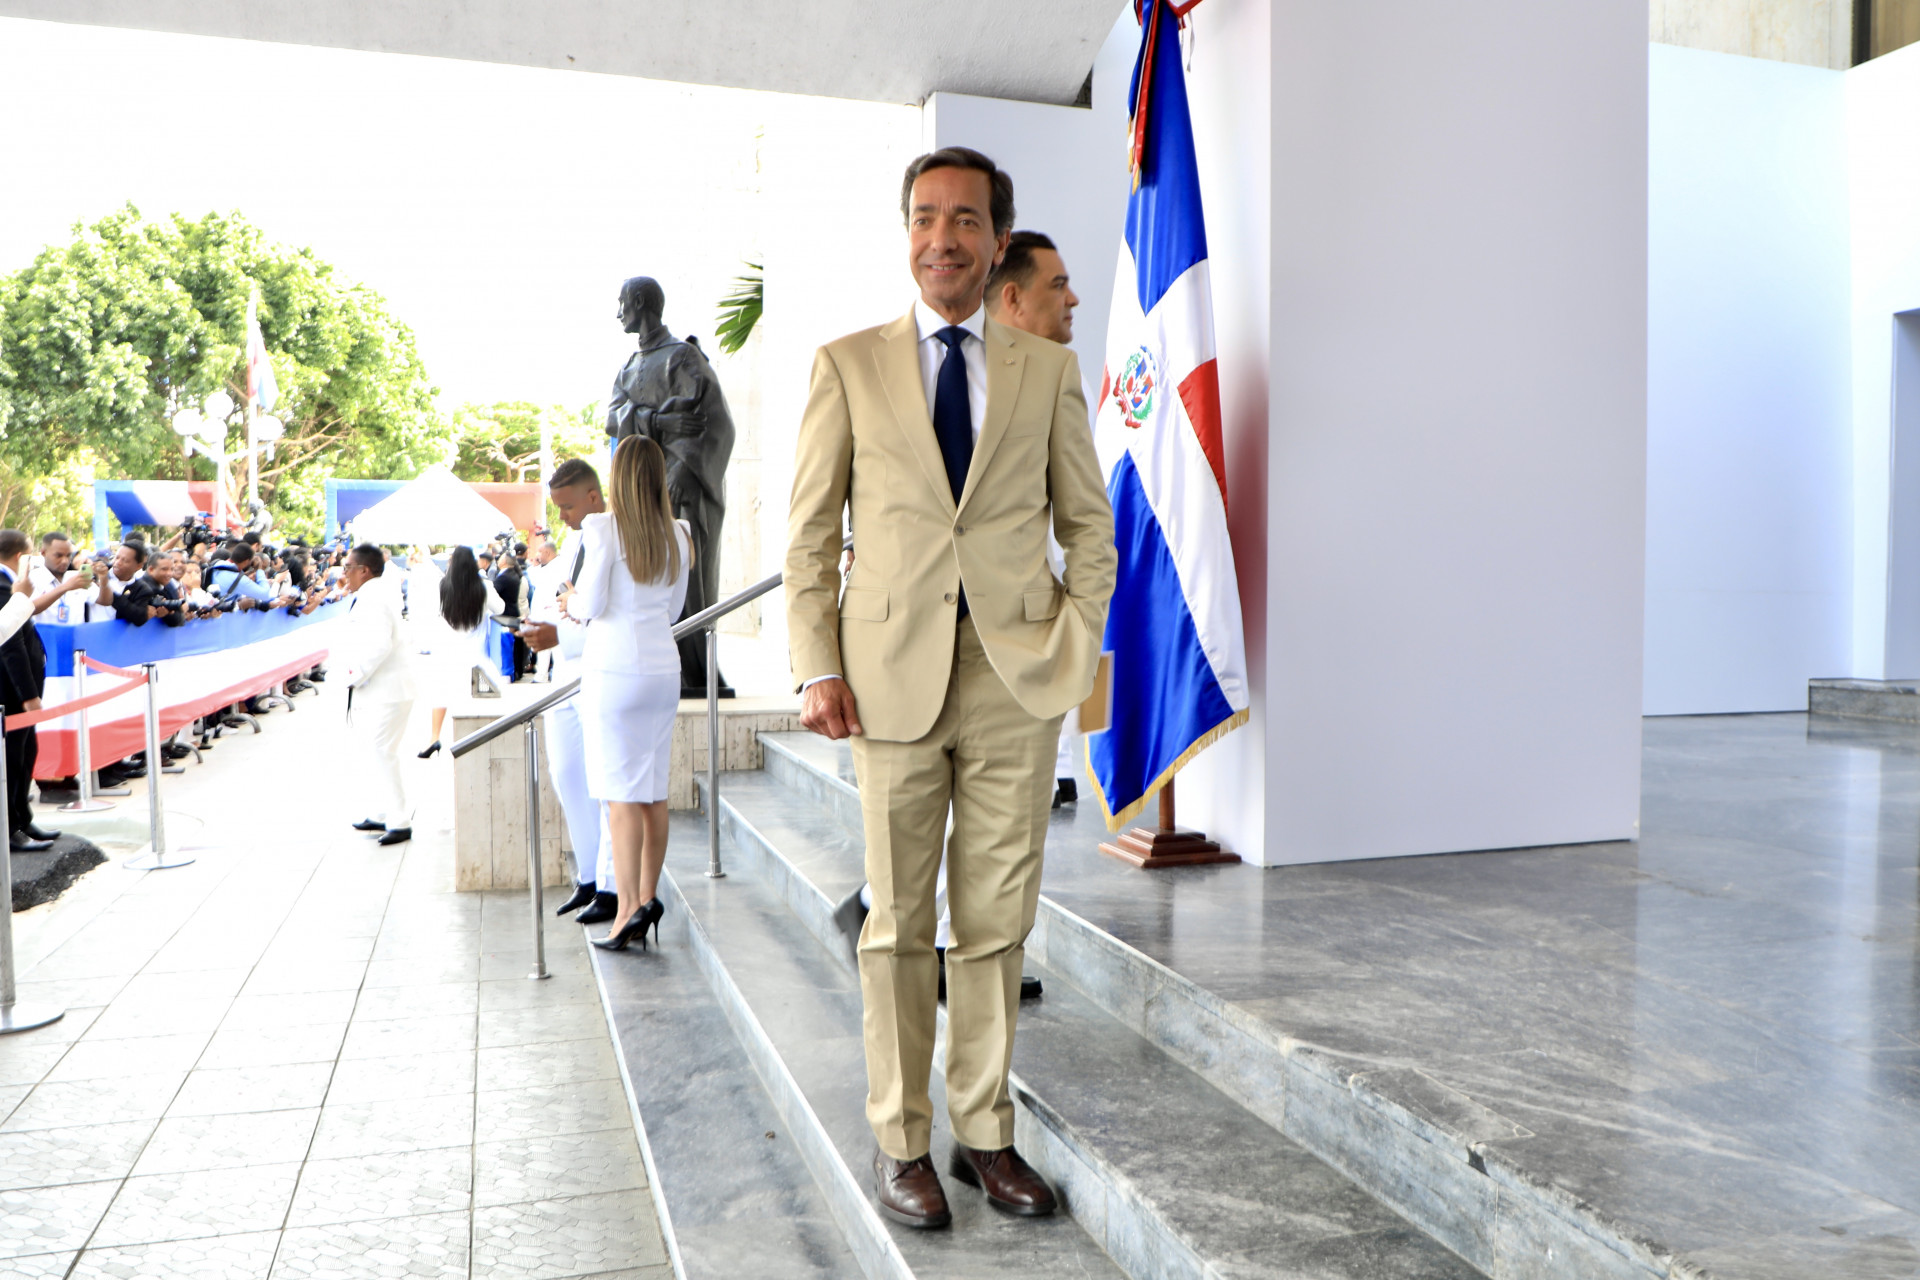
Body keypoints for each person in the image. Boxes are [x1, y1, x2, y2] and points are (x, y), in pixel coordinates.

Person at [785, 147, 1116, 1229]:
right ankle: (901, 1140)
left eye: (966, 220)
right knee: (895, 920)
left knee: (995, 919)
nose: (944, 238)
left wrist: (1075, 641)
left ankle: (984, 1133)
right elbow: (808, 535)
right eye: (926, 217)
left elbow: (1089, 526)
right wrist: (817, 661)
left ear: (995, 240)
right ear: (908, 233)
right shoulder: (849, 364)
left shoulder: (1046, 370)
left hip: (1016, 679)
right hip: (887, 679)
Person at [563, 436, 690, 952]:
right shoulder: (679, 533)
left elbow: (591, 605)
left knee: (619, 796)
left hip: (615, 671)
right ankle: (648, 897)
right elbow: (675, 609)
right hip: (662, 671)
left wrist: (570, 600)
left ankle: (627, 909)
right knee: (653, 793)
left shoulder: (604, 530)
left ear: (617, 478)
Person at [985, 229, 1086, 809]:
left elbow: (1086, 522)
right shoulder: (954, 377)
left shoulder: (1060, 379)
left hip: (1035, 642)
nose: (1073, 299)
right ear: (1013, 298)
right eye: (1058, 285)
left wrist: (1082, 628)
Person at [521, 458, 618, 925]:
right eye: (557, 508)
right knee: (566, 774)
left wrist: (560, 633)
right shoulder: (575, 542)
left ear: (593, 497)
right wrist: (539, 626)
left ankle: (612, 885)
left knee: (605, 781)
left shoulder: (614, 538)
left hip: (599, 669)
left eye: (568, 506)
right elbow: (561, 598)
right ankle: (590, 876)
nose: (561, 517)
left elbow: (608, 612)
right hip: (564, 673)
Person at [336, 544, 417, 845]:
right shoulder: (372, 594)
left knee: (383, 752)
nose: (345, 573)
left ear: (364, 570)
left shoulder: (374, 598)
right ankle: (383, 813)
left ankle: (399, 821)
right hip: (383, 690)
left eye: (348, 567)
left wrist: (353, 675)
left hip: (389, 690)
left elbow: (380, 644)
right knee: (376, 752)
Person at [0, 530, 60, 852]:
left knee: (26, 754)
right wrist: (28, 695)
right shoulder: (3, 584)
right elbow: (9, 642)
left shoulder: (13, 584)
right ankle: (9, 829)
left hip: (20, 691)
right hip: (10, 692)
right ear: (20, 556)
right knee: (11, 760)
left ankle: (22, 817)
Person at [417, 546, 503, 758]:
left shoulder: (442, 587)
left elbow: (431, 614)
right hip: (476, 658)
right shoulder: (483, 587)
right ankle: (477, 742)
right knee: (480, 702)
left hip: (447, 654)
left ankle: (434, 738)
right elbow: (500, 608)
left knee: (440, 695)